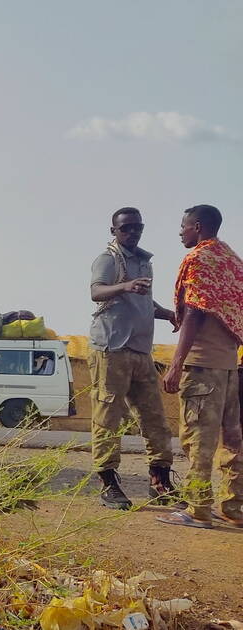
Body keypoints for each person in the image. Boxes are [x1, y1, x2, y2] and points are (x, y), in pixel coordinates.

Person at [87, 207, 180, 510]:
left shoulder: (143, 261)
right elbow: (97, 291)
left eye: (137, 227)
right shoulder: (108, 259)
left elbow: (142, 301)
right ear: (113, 230)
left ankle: (160, 480)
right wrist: (125, 285)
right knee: (108, 418)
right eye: (126, 228)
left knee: (155, 418)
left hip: (140, 351)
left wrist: (167, 314)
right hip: (111, 349)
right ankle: (108, 482)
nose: (132, 232)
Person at [157, 205, 243, 529]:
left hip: (203, 367)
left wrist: (176, 364)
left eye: (183, 227)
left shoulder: (200, 259)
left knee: (198, 441)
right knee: (233, 441)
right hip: (229, 367)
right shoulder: (233, 261)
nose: (181, 232)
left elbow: (194, 311)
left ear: (197, 226)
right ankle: (234, 508)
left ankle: (198, 509)